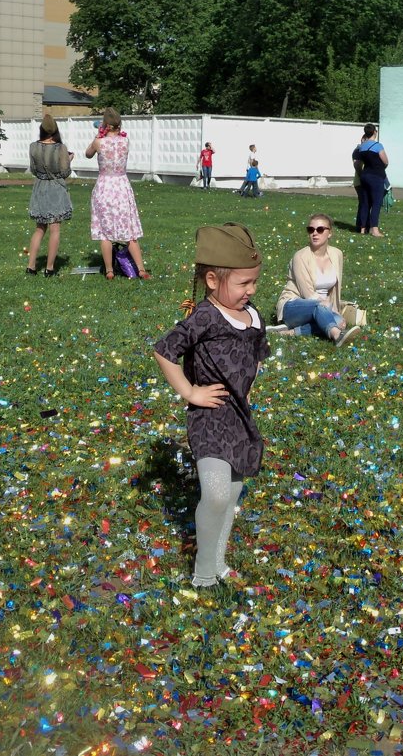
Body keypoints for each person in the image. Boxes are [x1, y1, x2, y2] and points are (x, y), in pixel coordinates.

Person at [153, 223, 270, 588]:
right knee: (216, 493)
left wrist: (248, 387)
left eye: (254, 282)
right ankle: (203, 574)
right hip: (209, 417)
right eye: (243, 283)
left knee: (232, 493)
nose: (251, 291)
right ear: (212, 281)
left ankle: (217, 561)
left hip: (238, 416)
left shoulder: (253, 316)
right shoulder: (204, 316)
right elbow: (164, 350)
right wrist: (190, 393)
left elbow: (257, 353)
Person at [273, 213, 361, 347]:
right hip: (294, 305)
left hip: (322, 307)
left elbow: (334, 290)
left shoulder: (337, 254)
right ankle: (337, 336)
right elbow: (308, 295)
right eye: (311, 230)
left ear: (329, 233)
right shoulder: (300, 257)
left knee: (337, 322)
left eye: (320, 229)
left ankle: (290, 332)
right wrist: (331, 311)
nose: (315, 233)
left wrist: (335, 311)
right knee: (325, 314)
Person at [85, 107, 150, 280]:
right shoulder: (125, 141)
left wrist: (98, 136)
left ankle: (109, 270)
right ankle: (141, 269)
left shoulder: (99, 142)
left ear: (105, 123)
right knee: (129, 229)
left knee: (105, 232)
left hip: (104, 186)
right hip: (121, 185)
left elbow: (88, 154)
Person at [26, 114, 73, 277]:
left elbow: (33, 170)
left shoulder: (33, 146)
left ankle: (31, 266)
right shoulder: (61, 148)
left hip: (40, 188)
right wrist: (69, 159)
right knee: (55, 229)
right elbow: (65, 172)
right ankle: (50, 268)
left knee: (39, 229)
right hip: (55, 189)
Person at [354, 124, 388, 237]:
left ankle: (363, 229)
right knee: (376, 203)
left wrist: (360, 174)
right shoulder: (378, 145)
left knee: (365, 202)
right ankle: (374, 230)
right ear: (375, 132)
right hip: (376, 176)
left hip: (364, 176)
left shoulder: (361, 147)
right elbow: (386, 161)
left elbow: (358, 163)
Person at [352, 134, 369, 232]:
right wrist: (362, 177)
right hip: (360, 181)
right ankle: (361, 226)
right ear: (362, 139)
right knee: (364, 203)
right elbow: (357, 165)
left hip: (361, 180)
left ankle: (362, 225)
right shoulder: (358, 150)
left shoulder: (362, 150)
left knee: (363, 203)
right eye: (366, 140)